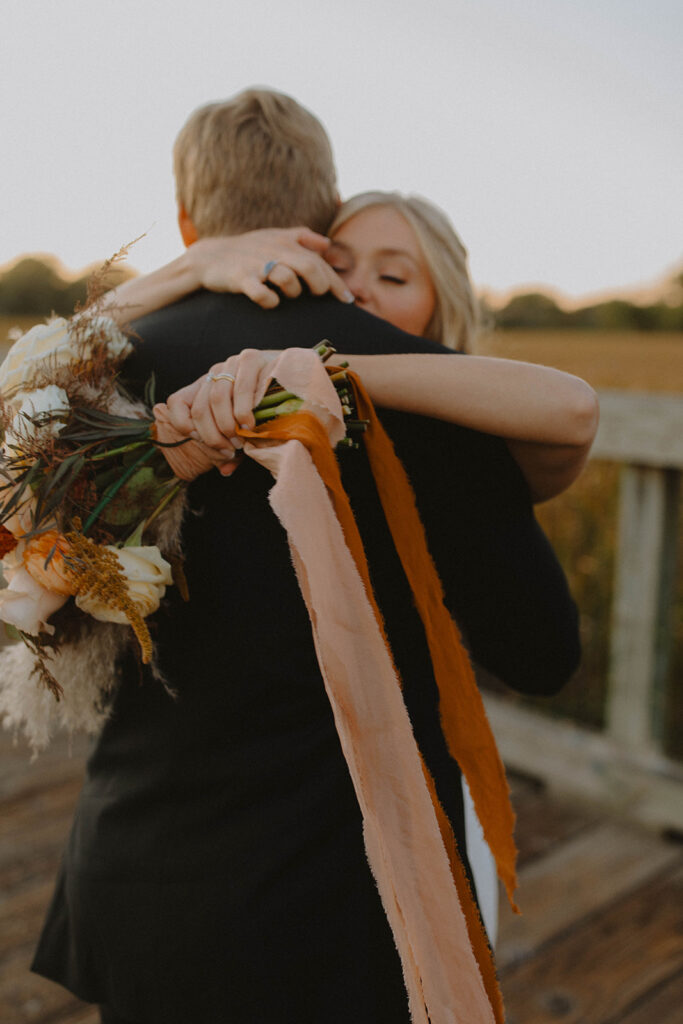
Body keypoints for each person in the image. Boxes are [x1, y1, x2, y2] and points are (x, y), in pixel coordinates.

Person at [30, 88, 591, 1024]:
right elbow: (542, 654)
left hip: (141, 882)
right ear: (321, 220)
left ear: (185, 219)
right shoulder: (437, 394)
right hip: (344, 910)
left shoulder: (89, 377)